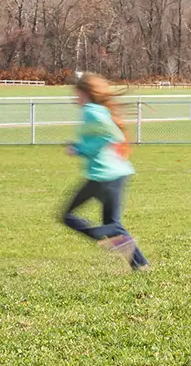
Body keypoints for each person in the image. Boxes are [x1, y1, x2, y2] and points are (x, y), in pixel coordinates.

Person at [59, 72, 149, 271]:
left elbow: (110, 134)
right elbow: (103, 136)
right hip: (115, 173)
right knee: (113, 224)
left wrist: (79, 149)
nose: (74, 98)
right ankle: (140, 265)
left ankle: (100, 235)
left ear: (85, 93)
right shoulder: (97, 110)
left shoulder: (91, 111)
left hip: (104, 176)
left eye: (76, 93)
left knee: (67, 215)